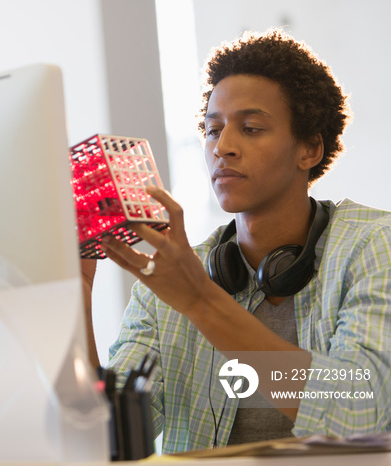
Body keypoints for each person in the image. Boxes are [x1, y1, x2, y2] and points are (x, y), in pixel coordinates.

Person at [84, 28, 391, 454]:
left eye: (250, 128)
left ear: (309, 148)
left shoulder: (374, 246)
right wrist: (76, 291)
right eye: (212, 131)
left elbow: (362, 413)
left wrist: (202, 302)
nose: (223, 147)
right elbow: (98, 437)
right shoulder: (170, 283)